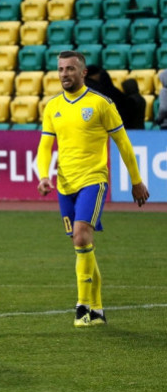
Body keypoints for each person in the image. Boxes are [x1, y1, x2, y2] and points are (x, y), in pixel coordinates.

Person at [36, 50, 149, 328]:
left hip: (93, 180)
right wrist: (43, 175)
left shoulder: (101, 103)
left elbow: (123, 144)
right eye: (61, 69)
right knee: (83, 245)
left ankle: (82, 307)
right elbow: (44, 146)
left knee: (81, 236)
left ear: (83, 73)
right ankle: (97, 310)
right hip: (65, 184)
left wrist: (136, 180)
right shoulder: (52, 107)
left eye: (70, 69)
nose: (64, 74)